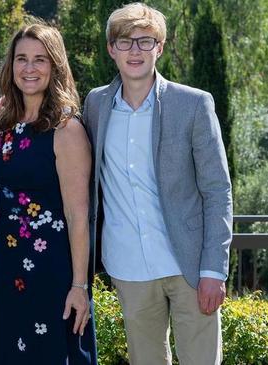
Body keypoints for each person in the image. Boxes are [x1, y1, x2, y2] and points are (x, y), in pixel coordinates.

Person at [82, 3, 233, 364]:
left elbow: (218, 190)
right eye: (125, 41)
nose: (135, 50)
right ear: (111, 49)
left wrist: (214, 269)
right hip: (128, 266)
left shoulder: (193, 104)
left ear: (160, 48)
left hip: (191, 266)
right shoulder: (95, 105)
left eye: (145, 41)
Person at [0, 23, 97, 364]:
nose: (29, 68)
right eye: (21, 59)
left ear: (55, 66)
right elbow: (16, 186)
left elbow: (78, 216)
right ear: (11, 65)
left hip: (51, 271)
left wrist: (79, 287)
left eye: (40, 60)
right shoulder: (6, 123)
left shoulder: (66, 128)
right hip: (7, 266)